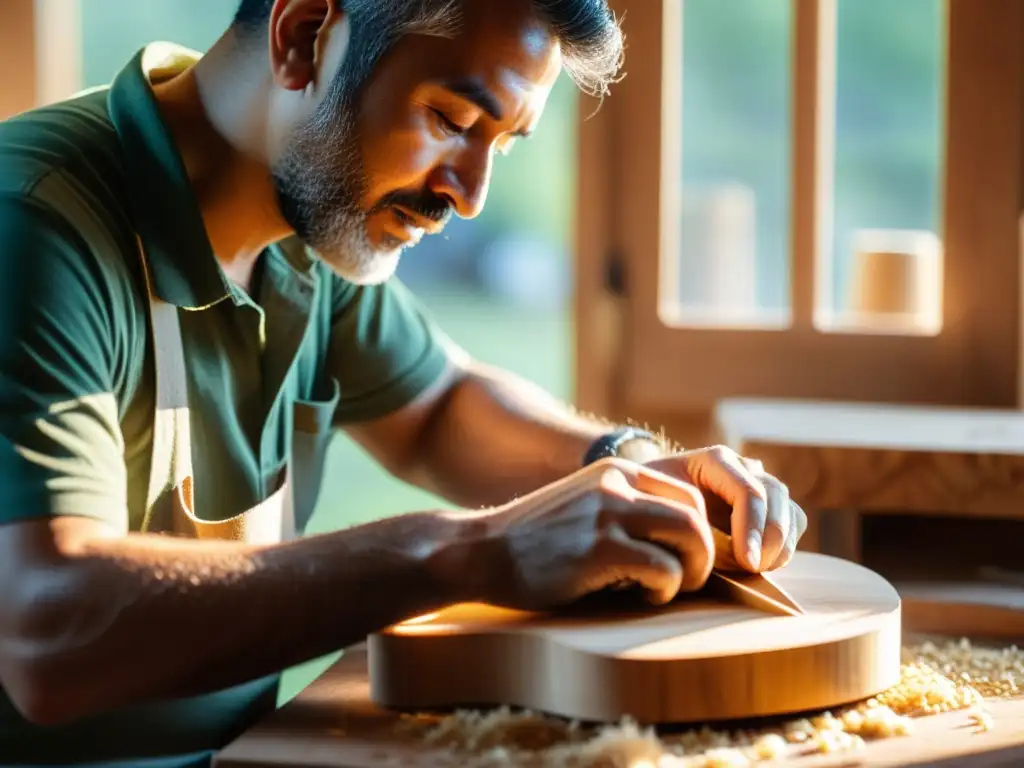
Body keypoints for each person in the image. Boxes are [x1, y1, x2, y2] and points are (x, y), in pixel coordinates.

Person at [0, 0, 807, 765]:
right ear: (303, 35)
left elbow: (439, 410)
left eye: (505, 143)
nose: (469, 193)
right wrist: (466, 552)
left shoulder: (304, 212)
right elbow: (46, 633)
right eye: (451, 122)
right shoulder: (34, 227)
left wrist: (631, 469)